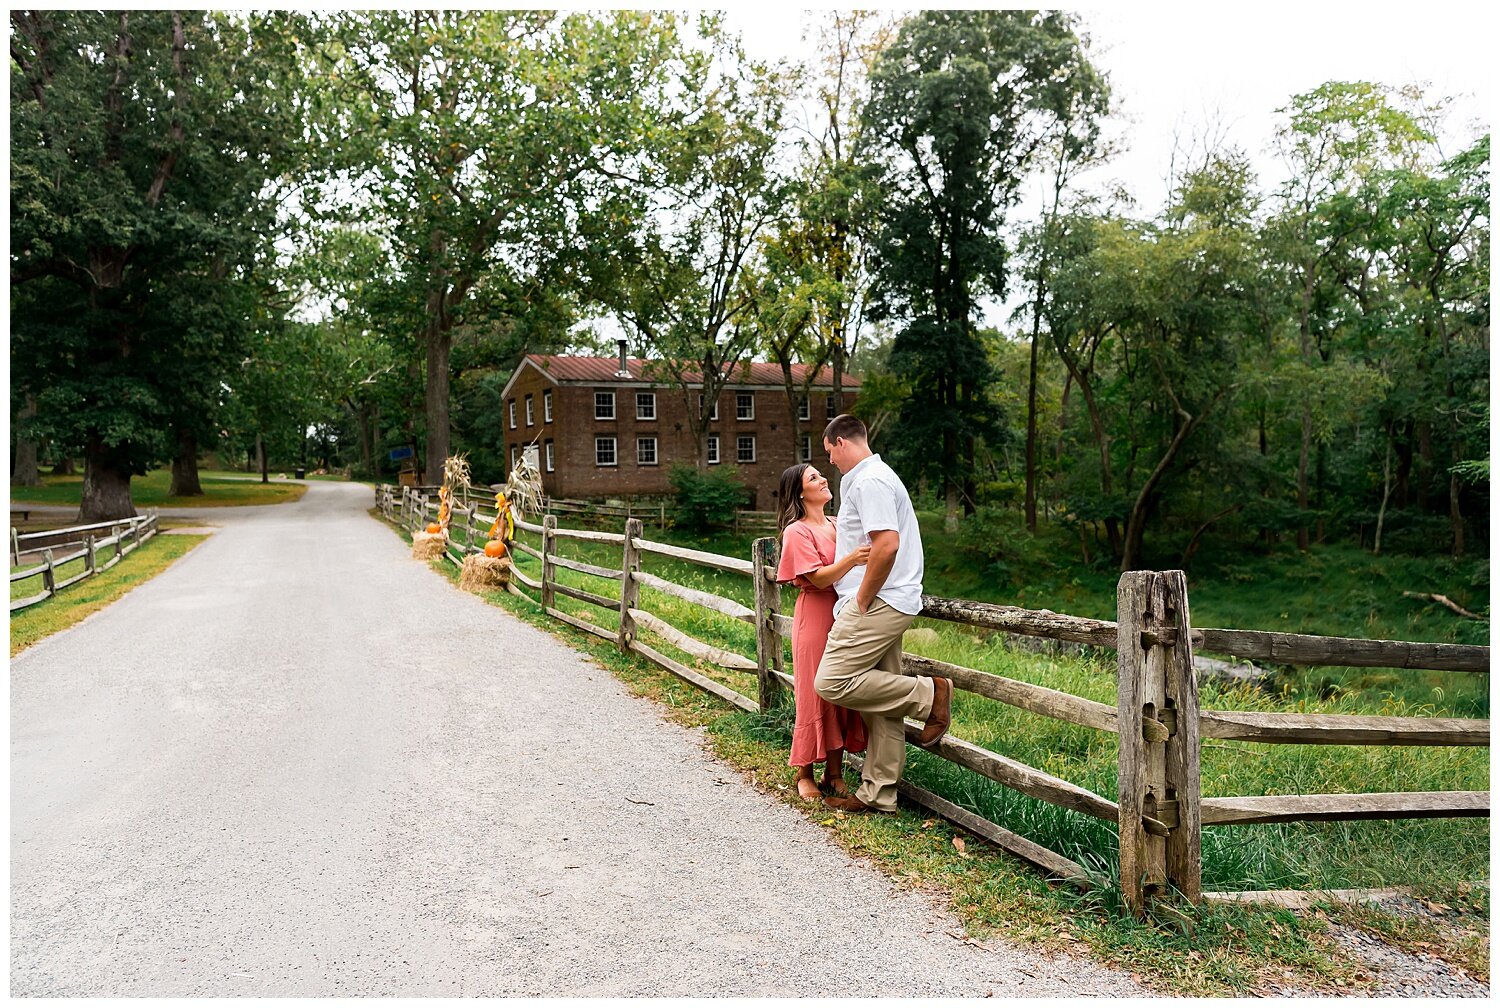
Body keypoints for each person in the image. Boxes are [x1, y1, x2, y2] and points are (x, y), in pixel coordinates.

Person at [813, 414, 950, 814]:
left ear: (841, 442)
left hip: (878, 600)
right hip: (891, 599)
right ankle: (879, 793)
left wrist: (861, 599)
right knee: (881, 699)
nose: (831, 463)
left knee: (832, 680)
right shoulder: (873, 476)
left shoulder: (870, 479)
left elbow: (886, 545)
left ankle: (931, 693)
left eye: (830, 454)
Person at [775, 463, 871, 802]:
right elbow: (816, 577)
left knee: (841, 690)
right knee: (814, 692)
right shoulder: (797, 531)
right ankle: (804, 772)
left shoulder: (836, 523)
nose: (823, 479)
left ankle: (835, 771)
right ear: (801, 493)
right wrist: (854, 558)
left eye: (821, 473)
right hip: (816, 615)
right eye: (813, 477)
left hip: (844, 613)